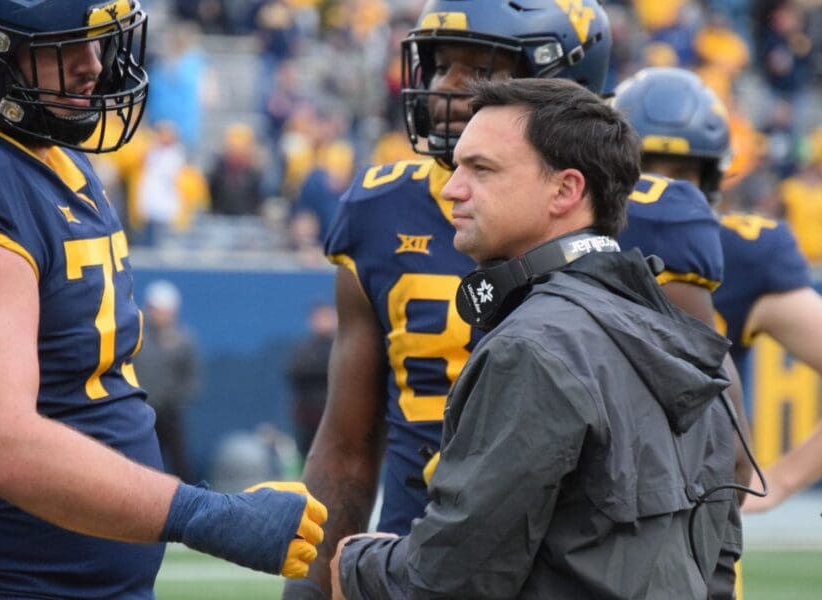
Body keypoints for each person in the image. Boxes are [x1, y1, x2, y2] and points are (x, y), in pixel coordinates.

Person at [0, 2, 325, 598]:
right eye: (62, 46)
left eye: (95, 42)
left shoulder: (52, 158)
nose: (92, 65)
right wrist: (206, 515)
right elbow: (2, 445)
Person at [332, 75, 740, 600]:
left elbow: (447, 584)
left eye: (481, 169)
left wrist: (354, 566)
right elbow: (717, 567)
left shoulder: (534, 347)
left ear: (566, 190)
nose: (454, 188)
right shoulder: (674, 335)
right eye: (458, 168)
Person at [286, 1, 613, 596]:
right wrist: (310, 589)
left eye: (481, 71)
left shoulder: (640, 217)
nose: (448, 89)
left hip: (568, 569)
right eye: (442, 67)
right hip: (411, 567)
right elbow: (346, 447)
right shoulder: (380, 211)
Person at [613, 69, 822, 513]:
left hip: (696, 532)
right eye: (642, 171)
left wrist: (780, 481)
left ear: (710, 180)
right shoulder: (570, 243)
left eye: (681, 174)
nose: (658, 192)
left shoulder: (746, 253)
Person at [134, 280, 199, 484]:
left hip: (170, 416)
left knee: (180, 463)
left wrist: (174, 400)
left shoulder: (184, 340)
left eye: (161, 309)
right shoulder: (135, 338)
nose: (157, 314)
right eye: (154, 309)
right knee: (139, 463)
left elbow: (192, 378)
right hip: (141, 412)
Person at [287, 303, 337, 460]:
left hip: (337, 417)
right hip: (309, 419)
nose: (322, 321)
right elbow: (295, 371)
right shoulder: (304, 349)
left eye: (326, 316)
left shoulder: (342, 347)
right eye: (319, 317)